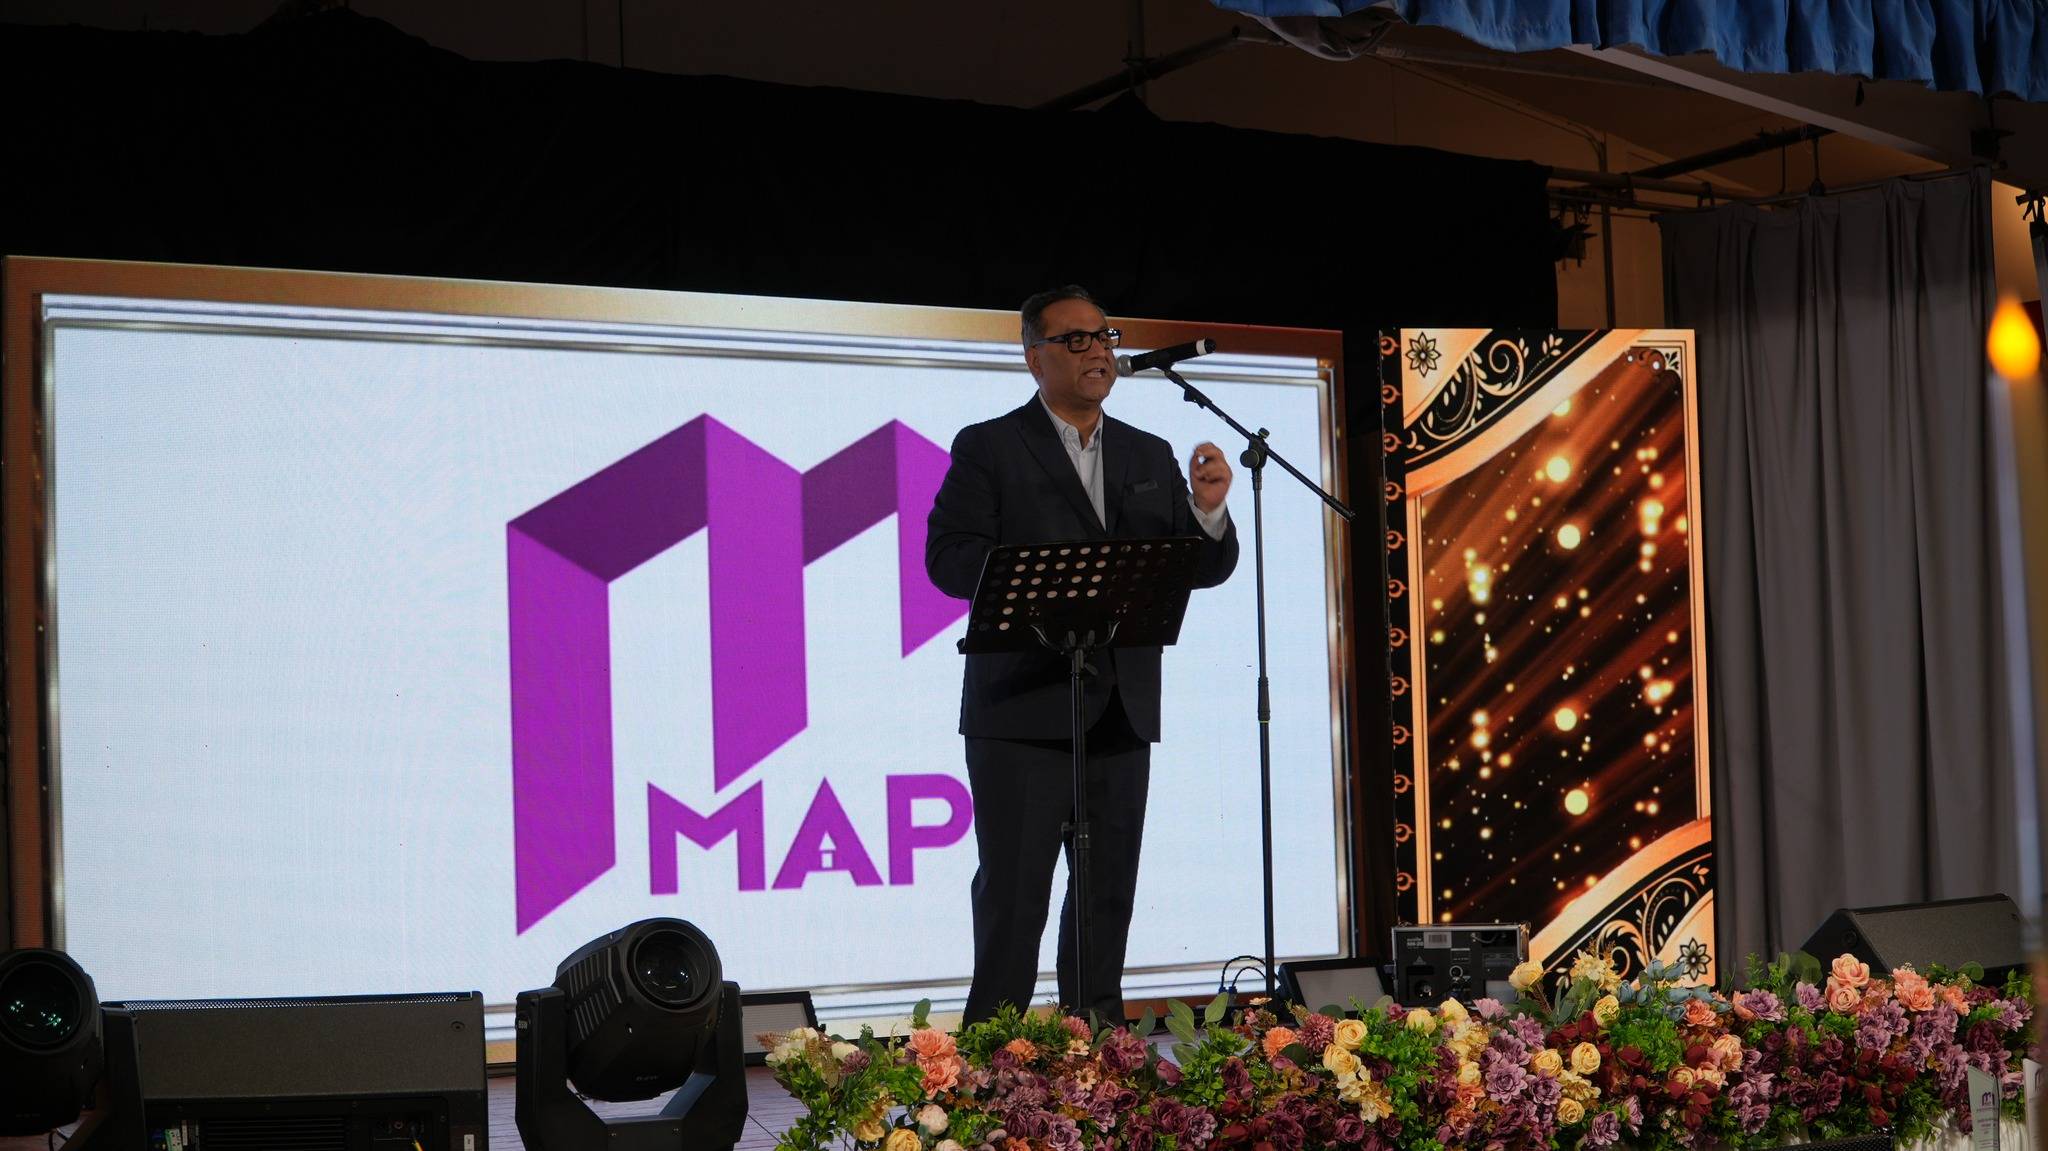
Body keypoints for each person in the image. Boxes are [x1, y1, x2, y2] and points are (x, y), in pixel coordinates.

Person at [926, 285, 1238, 1024]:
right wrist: (1039, 578)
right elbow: (947, 557)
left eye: (1104, 336)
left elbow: (1198, 566)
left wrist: (1208, 510)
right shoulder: (990, 447)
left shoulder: (1147, 453)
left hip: (1120, 711)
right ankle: (995, 1053)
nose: (1096, 350)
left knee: (1107, 894)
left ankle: (1097, 1042)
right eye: (1075, 339)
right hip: (1021, 711)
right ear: (1034, 357)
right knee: (1015, 895)